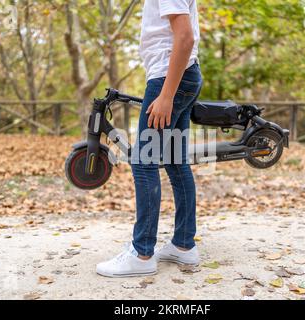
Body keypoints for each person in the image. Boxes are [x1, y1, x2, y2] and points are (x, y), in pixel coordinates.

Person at [96, 0, 203, 277]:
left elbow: (185, 37)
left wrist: (166, 95)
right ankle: (183, 245)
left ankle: (142, 254)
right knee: (175, 162)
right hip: (181, 76)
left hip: (168, 78)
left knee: (143, 162)